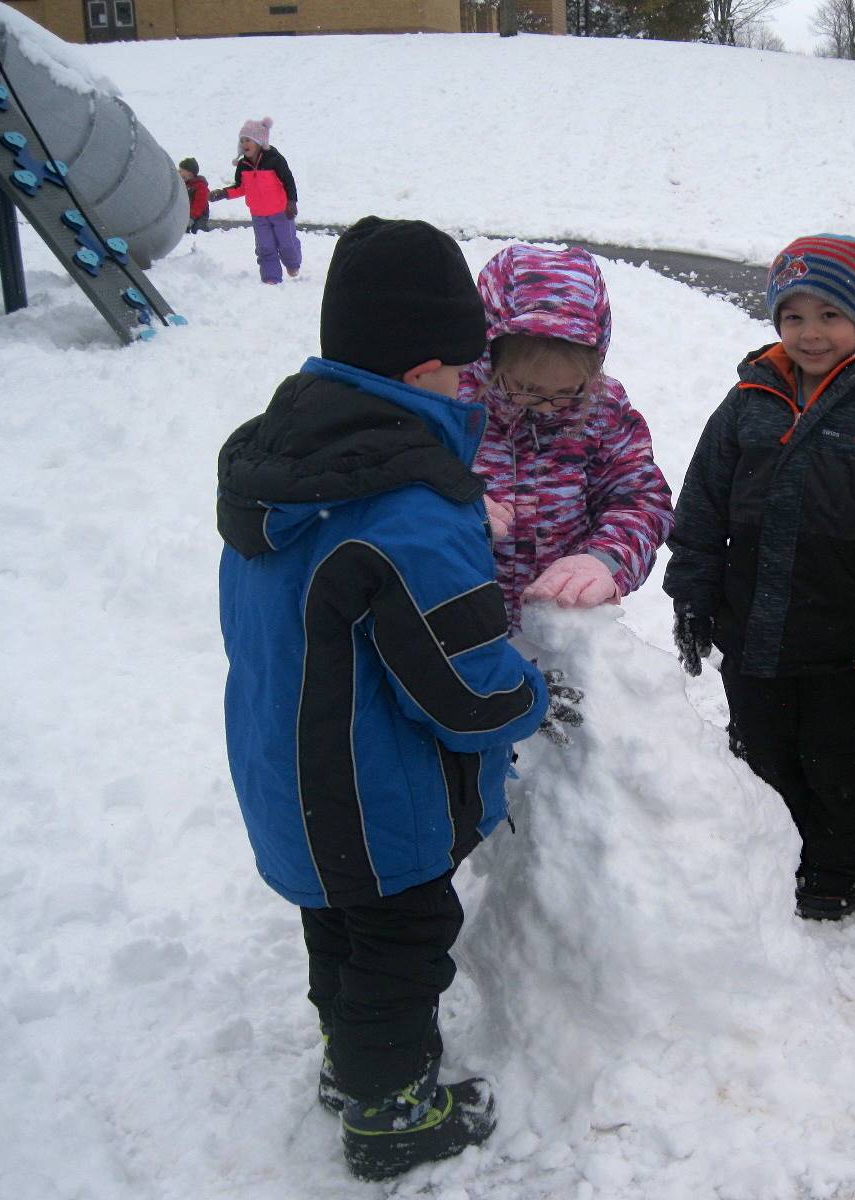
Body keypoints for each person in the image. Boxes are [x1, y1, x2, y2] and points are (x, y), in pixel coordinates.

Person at [216, 217, 558, 1181]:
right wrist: (532, 695)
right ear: (421, 376)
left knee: (340, 934)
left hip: (291, 770)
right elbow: (461, 688)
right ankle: (391, 1114)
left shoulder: (281, 467)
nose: (470, 388)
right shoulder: (410, 505)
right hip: (374, 801)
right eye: (463, 369)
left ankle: (352, 1069)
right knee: (404, 949)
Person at [664, 234, 855, 921]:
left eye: (829, 314)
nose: (811, 333)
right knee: (763, 754)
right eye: (793, 316)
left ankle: (842, 872)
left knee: (842, 764)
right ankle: (773, 855)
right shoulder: (748, 401)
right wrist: (694, 592)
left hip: (842, 637)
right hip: (753, 627)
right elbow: (701, 507)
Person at [460, 243, 673, 632]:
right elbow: (397, 485)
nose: (546, 407)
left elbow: (640, 500)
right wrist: (449, 510)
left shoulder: (602, 407)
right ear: (490, 353)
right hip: (459, 628)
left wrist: (603, 559)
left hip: (563, 631)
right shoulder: (453, 405)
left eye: (565, 393)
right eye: (526, 388)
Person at [208, 116, 301, 284]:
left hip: (281, 212)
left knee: (287, 243)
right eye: (242, 140)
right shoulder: (243, 166)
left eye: (248, 140)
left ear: (259, 141)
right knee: (265, 246)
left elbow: (288, 182)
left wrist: (291, 202)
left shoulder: (274, 160)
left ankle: (292, 264)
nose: (244, 144)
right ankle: (271, 277)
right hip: (259, 215)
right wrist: (223, 193)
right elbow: (241, 187)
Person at [177, 157, 208, 233]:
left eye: (181, 171)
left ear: (190, 174)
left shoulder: (200, 186)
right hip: (185, 214)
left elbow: (200, 204)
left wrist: (191, 217)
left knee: (197, 231)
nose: (178, 173)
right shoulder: (183, 184)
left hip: (199, 216)